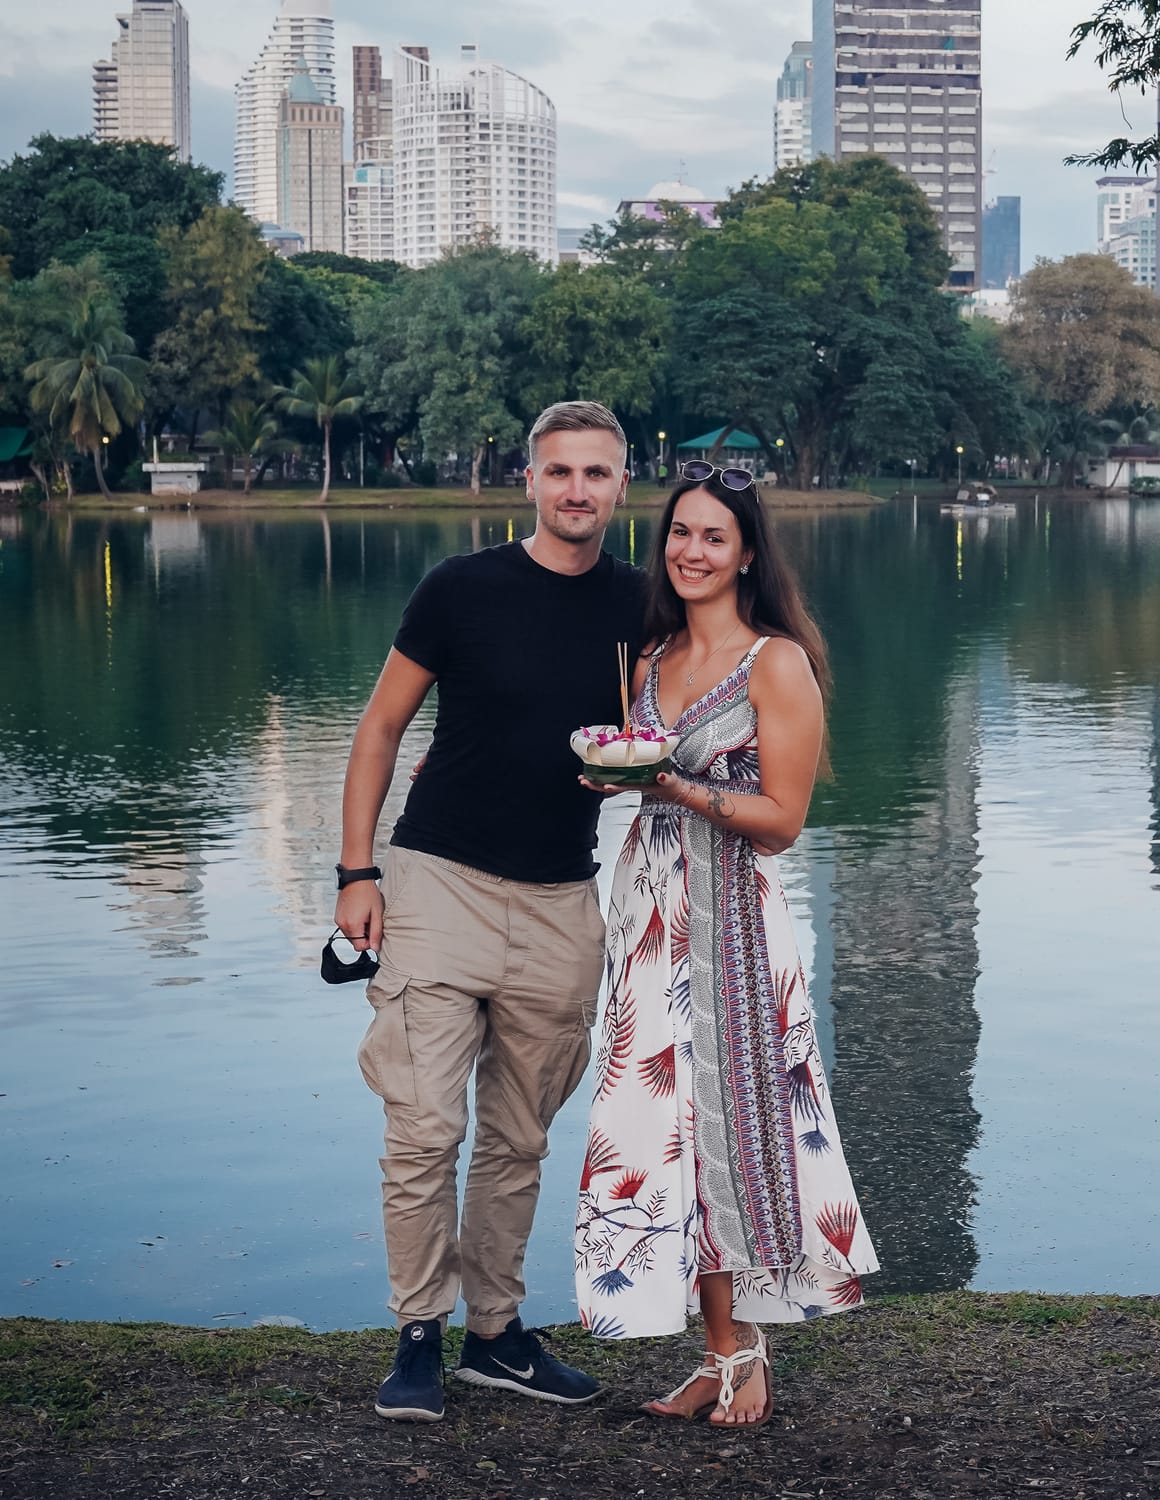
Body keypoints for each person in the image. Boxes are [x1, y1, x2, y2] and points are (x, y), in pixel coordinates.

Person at [337, 400, 646, 1422]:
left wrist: (632, 776)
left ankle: (496, 1335)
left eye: (596, 474)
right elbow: (381, 730)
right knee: (423, 1130)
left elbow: (656, 732)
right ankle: (418, 1333)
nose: (576, 491)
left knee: (520, 1137)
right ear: (529, 480)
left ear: (620, 487)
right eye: (559, 472)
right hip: (438, 881)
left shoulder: (641, 607)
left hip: (564, 896)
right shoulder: (460, 589)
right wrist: (355, 873)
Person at [574, 461, 878, 1428]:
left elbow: (783, 819)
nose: (691, 551)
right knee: (669, 1135)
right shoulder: (650, 657)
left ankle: (750, 1351)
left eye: (713, 536)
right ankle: (716, 1351)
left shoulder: (775, 663)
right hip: (652, 915)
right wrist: (615, 779)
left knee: (739, 1130)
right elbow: (640, 767)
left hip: (737, 921)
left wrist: (676, 789)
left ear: (748, 552)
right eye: (679, 533)